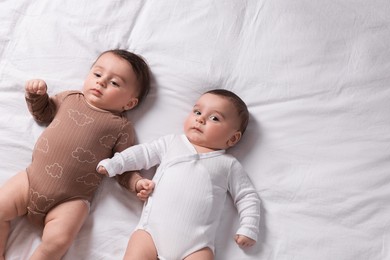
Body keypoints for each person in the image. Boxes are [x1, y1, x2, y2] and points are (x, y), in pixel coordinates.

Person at [0, 49, 155, 260]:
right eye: (98, 74)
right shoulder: (70, 98)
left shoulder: (120, 127)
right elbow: (43, 114)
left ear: (129, 103)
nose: (101, 82)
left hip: (71, 200)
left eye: (115, 83)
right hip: (31, 180)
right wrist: (36, 96)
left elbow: (123, 166)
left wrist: (137, 182)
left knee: (58, 241)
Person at [97, 89, 261, 260]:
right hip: (151, 233)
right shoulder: (172, 143)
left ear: (232, 139)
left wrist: (249, 227)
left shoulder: (228, 165)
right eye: (197, 112)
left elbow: (247, 196)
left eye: (215, 118)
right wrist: (115, 163)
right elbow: (142, 154)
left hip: (196, 247)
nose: (200, 119)